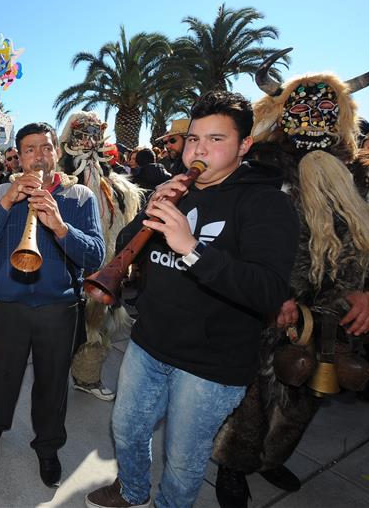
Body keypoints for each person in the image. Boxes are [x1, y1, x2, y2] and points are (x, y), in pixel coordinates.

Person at [84, 91, 299, 508]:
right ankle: (131, 489)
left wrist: (192, 248)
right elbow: (129, 248)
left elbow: (269, 290)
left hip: (212, 366)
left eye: (216, 140)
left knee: (183, 463)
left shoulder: (267, 204)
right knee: (127, 430)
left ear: (244, 146)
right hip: (149, 344)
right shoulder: (177, 188)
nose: (199, 150)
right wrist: (151, 207)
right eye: (194, 139)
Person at [212, 59, 369, 507]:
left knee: (307, 390)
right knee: (254, 390)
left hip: (332, 311)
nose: (314, 121)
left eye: (325, 111)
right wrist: (270, 294)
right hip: (267, 303)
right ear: (285, 116)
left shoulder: (359, 175)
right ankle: (234, 464)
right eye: (303, 112)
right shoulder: (262, 171)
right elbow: (234, 238)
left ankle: (272, 456)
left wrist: (367, 292)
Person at [0, 122, 105, 488]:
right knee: (2, 379)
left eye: (46, 147)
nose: (39, 155)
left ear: (57, 152)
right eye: (30, 149)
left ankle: (47, 448)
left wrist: (61, 228)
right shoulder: (2, 191)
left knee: (52, 383)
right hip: (11, 306)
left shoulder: (79, 197)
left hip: (59, 309)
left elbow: (95, 256)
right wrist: (7, 200)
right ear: (18, 156)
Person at [58, 112, 143, 402]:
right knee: (58, 334)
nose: (90, 140)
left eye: (96, 133)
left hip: (103, 271)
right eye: (83, 134)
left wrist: (122, 265)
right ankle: (54, 382)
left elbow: (124, 229)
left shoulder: (118, 188)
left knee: (96, 327)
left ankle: (87, 377)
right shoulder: (58, 183)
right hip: (63, 272)